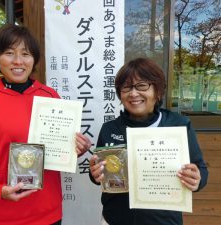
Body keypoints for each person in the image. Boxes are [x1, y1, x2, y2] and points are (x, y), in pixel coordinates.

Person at [0, 24, 91, 225]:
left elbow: (59, 149)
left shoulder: (50, 96)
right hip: (1, 213)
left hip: (47, 211)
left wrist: (77, 149)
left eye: (25, 54)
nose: (18, 61)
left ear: (33, 59)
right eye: (9, 53)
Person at [89, 57, 208, 225]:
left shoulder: (178, 124)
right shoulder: (110, 129)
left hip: (164, 221)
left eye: (142, 85)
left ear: (157, 91)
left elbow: (201, 169)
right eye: (126, 87)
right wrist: (94, 173)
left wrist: (197, 179)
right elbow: (98, 176)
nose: (133, 93)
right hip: (114, 219)